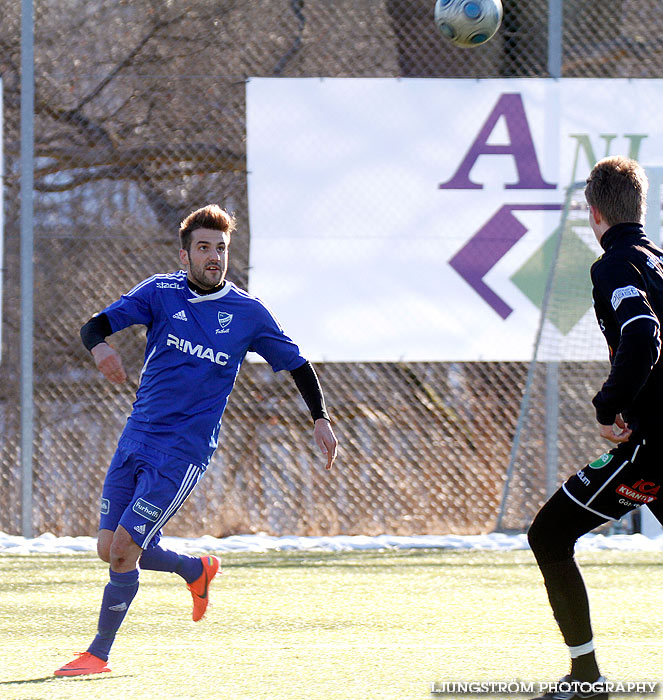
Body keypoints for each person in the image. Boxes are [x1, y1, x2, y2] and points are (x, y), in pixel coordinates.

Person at [55, 204, 338, 677]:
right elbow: (94, 325)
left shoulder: (248, 313)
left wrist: (320, 418)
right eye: (204, 248)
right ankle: (195, 570)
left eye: (221, 249)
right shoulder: (160, 292)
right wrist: (101, 349)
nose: (214, 257)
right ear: (184, 254)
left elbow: (298, 365)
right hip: (136, 437)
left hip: (182, 453)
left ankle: (97, 655)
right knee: (109, 548)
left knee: (125, 551)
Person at [527, 156, 663, 700]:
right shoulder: (658, 259)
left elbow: (643, 337)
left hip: (651, 448)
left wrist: (609, 407)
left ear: (594, 213)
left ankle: (585, 679)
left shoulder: (614, 265)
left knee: (548, 535)